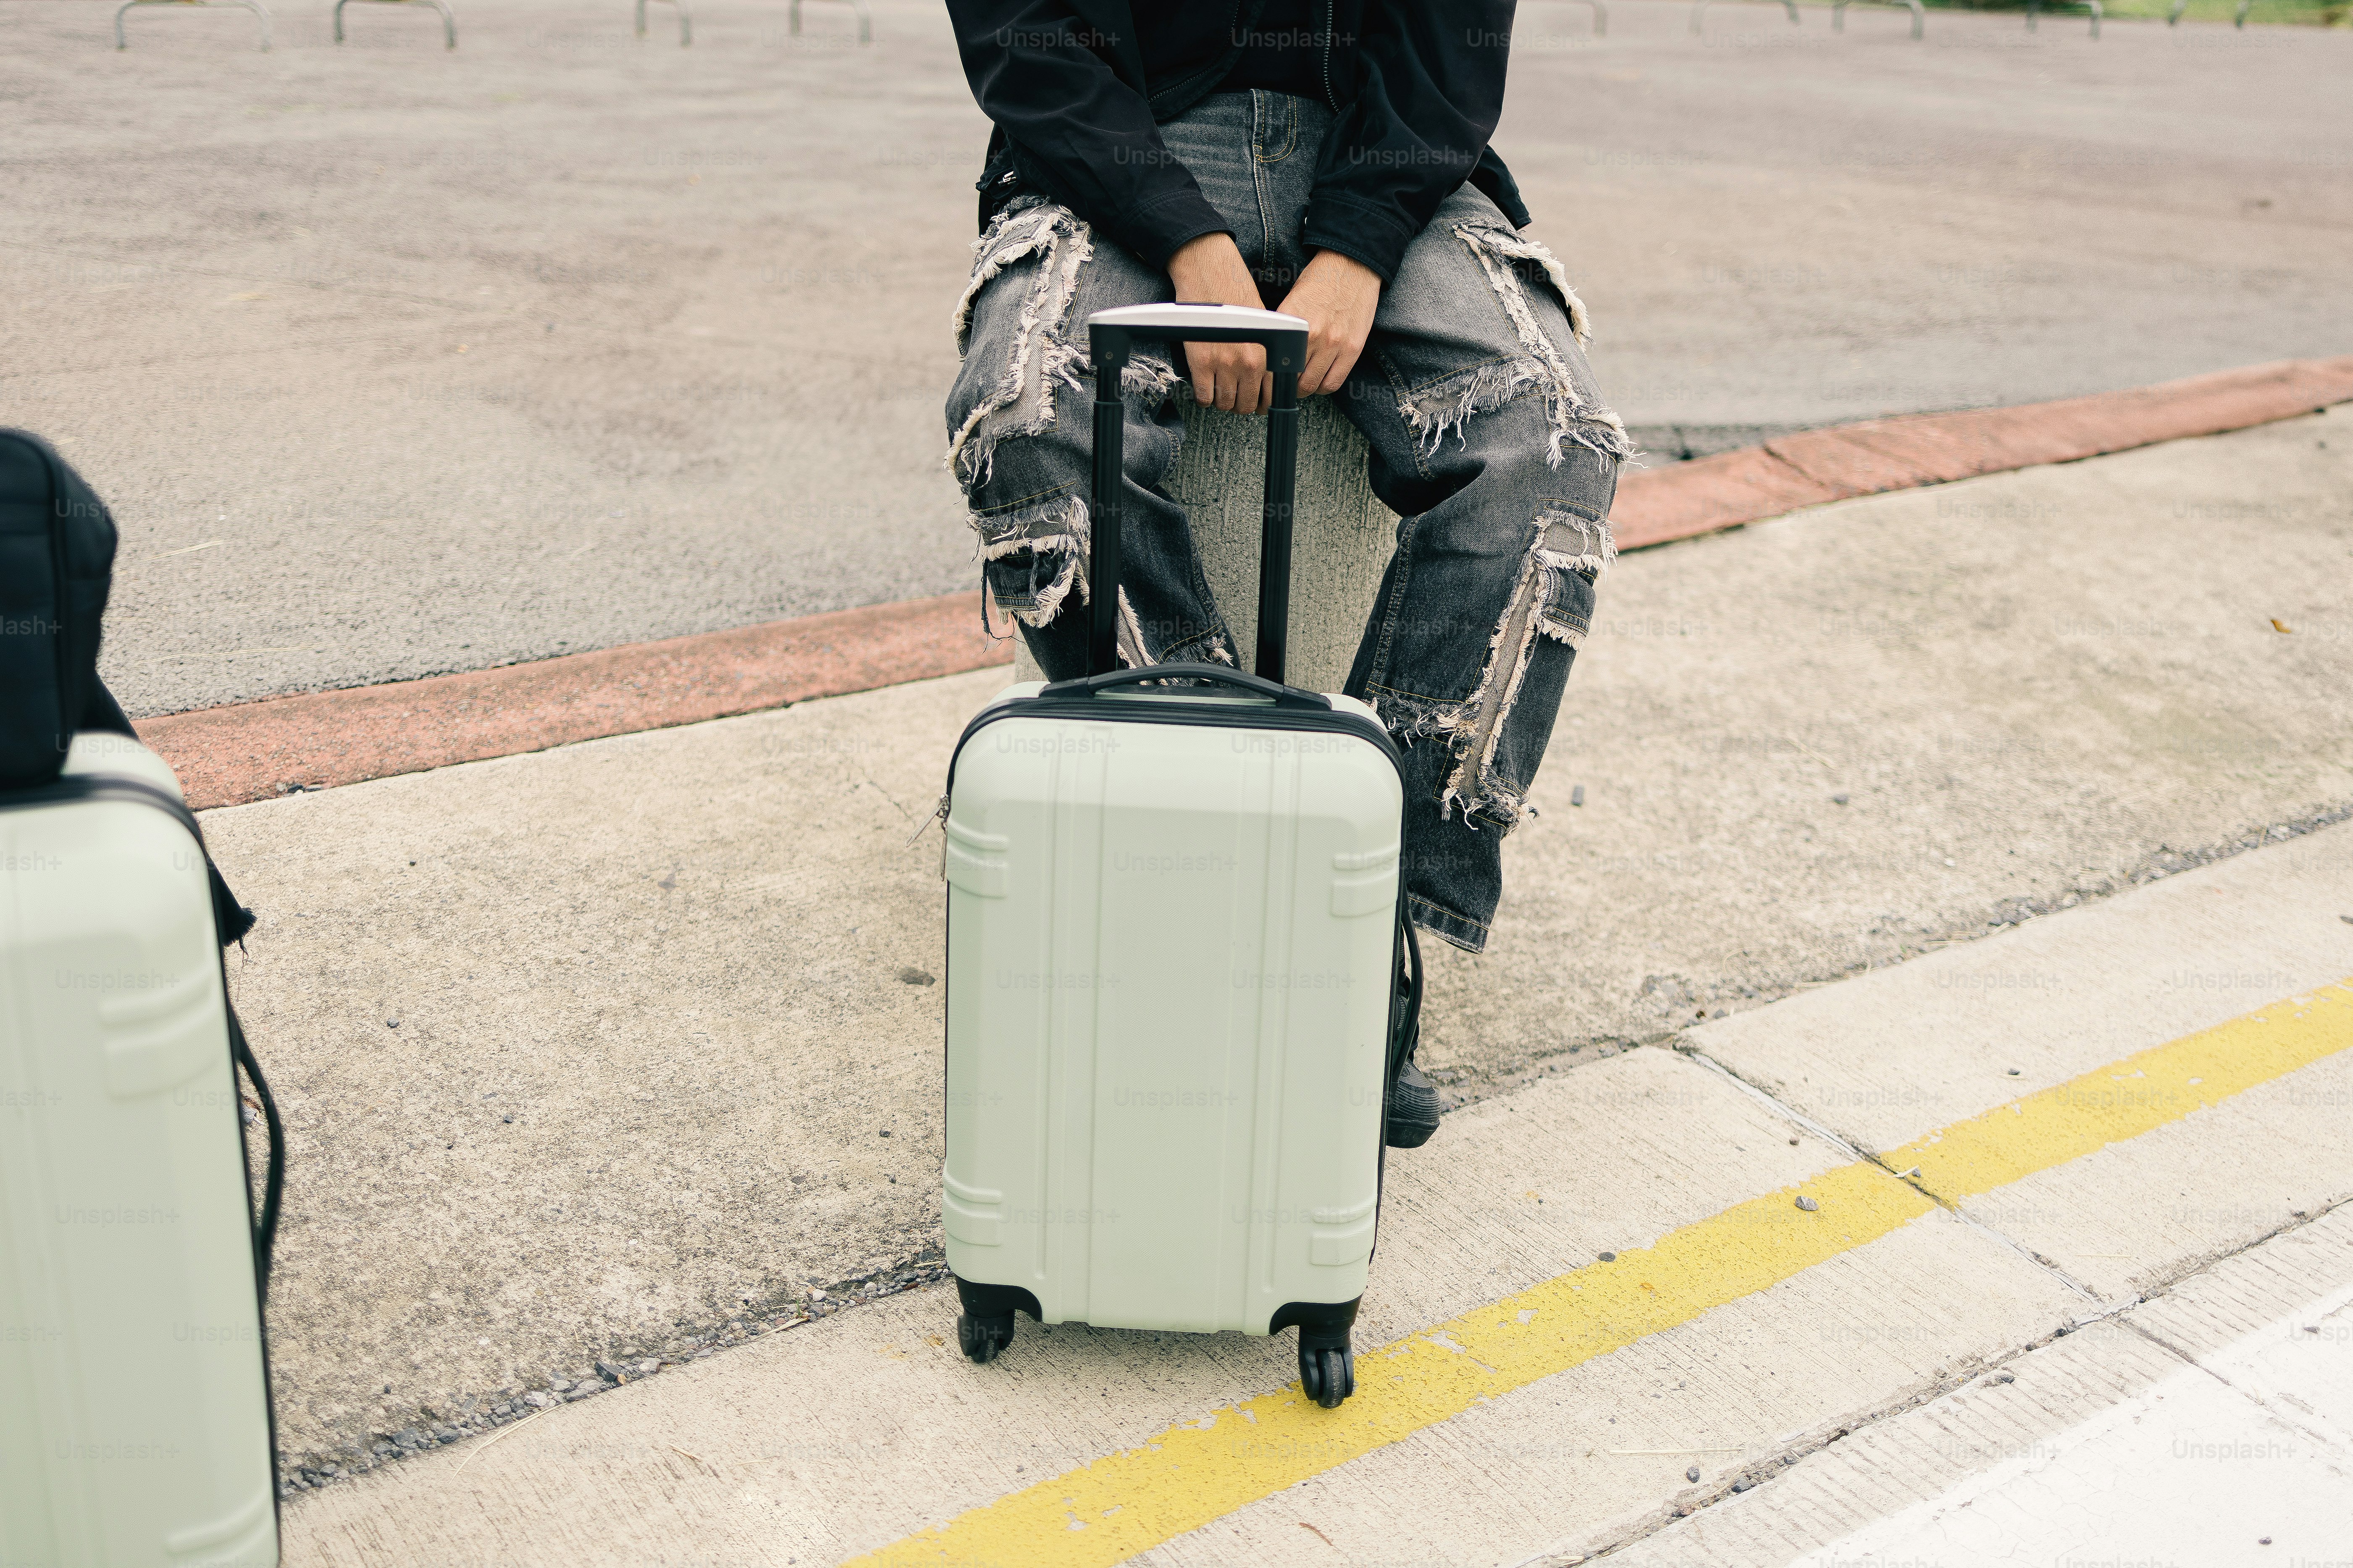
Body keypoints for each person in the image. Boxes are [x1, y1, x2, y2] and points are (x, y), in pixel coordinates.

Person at [943, 1, 1628, 1146]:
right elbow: (1025, 31)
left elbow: (1451, 35)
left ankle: (1358, 915)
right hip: (1118, 149)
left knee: (1547, 445)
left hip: (1382, 153)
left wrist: (1359, 246)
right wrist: (1185, 236)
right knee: (1029, 418)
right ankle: (1206, 872)